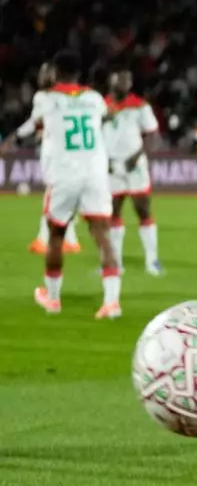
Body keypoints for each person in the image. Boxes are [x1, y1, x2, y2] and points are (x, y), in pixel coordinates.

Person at [27, 51, 122, 318]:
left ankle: (53, 300)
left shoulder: (46, 98)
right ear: (79, 73)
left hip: (65, 175)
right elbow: (110, 114)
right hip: (95, 174)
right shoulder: (94, 98)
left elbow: (38, 123)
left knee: (56, 236)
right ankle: (111, 303)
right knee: (103, 235)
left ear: (56, 72)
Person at [17, 63, 82, 256]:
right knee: (63, 195)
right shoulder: (64, 97)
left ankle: (43, 239)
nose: (43, 75)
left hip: (56, 152)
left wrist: (17, 136)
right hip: (65, 151)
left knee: (53, 194)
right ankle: (70, 240)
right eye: (42, 72)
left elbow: (34, 122)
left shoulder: (45, 97)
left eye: (48, 72)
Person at [104, 69, 164, 276]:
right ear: (111, 83)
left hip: (134, 165)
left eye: (127, 82)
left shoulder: (139, 106)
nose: (124, 85)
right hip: (111, 166)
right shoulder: (101, 106)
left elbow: (152, 135)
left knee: (143, 209)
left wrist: (136, 156)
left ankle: (152, 260)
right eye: (120, 81)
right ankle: (116, 263)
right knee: (113, 212)